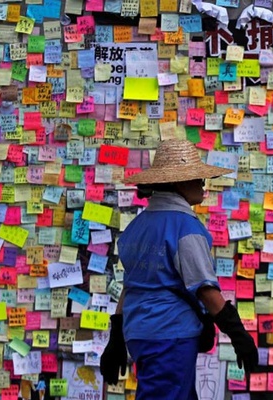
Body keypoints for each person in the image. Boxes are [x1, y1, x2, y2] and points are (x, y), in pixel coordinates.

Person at [100, 139, 259, 399]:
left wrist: (116, 338)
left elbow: (131, 286)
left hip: (139, 333)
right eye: (197, 178)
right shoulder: (185, 228)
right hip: (170, 334)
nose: (202, 184)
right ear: (179, 183)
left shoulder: (137, 227)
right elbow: (206, 291)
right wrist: (238, 335)